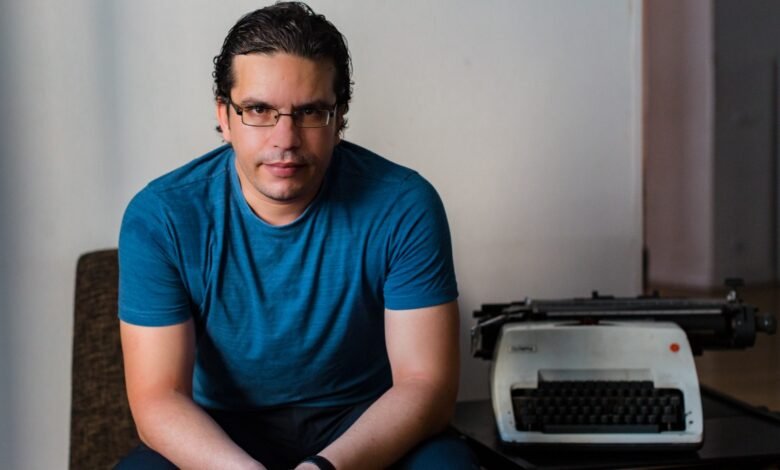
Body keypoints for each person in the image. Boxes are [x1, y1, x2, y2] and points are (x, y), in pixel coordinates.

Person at [116, 2, 477, 469]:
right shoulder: (160, 217)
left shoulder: (404, 205)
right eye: (258, 110)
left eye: (310, 112)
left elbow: (426, 385)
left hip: (364, 430)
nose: (285, 139)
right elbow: (158, 399)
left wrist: (324, 469)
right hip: (219, 435)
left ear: (339, 118)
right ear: (224, 116)